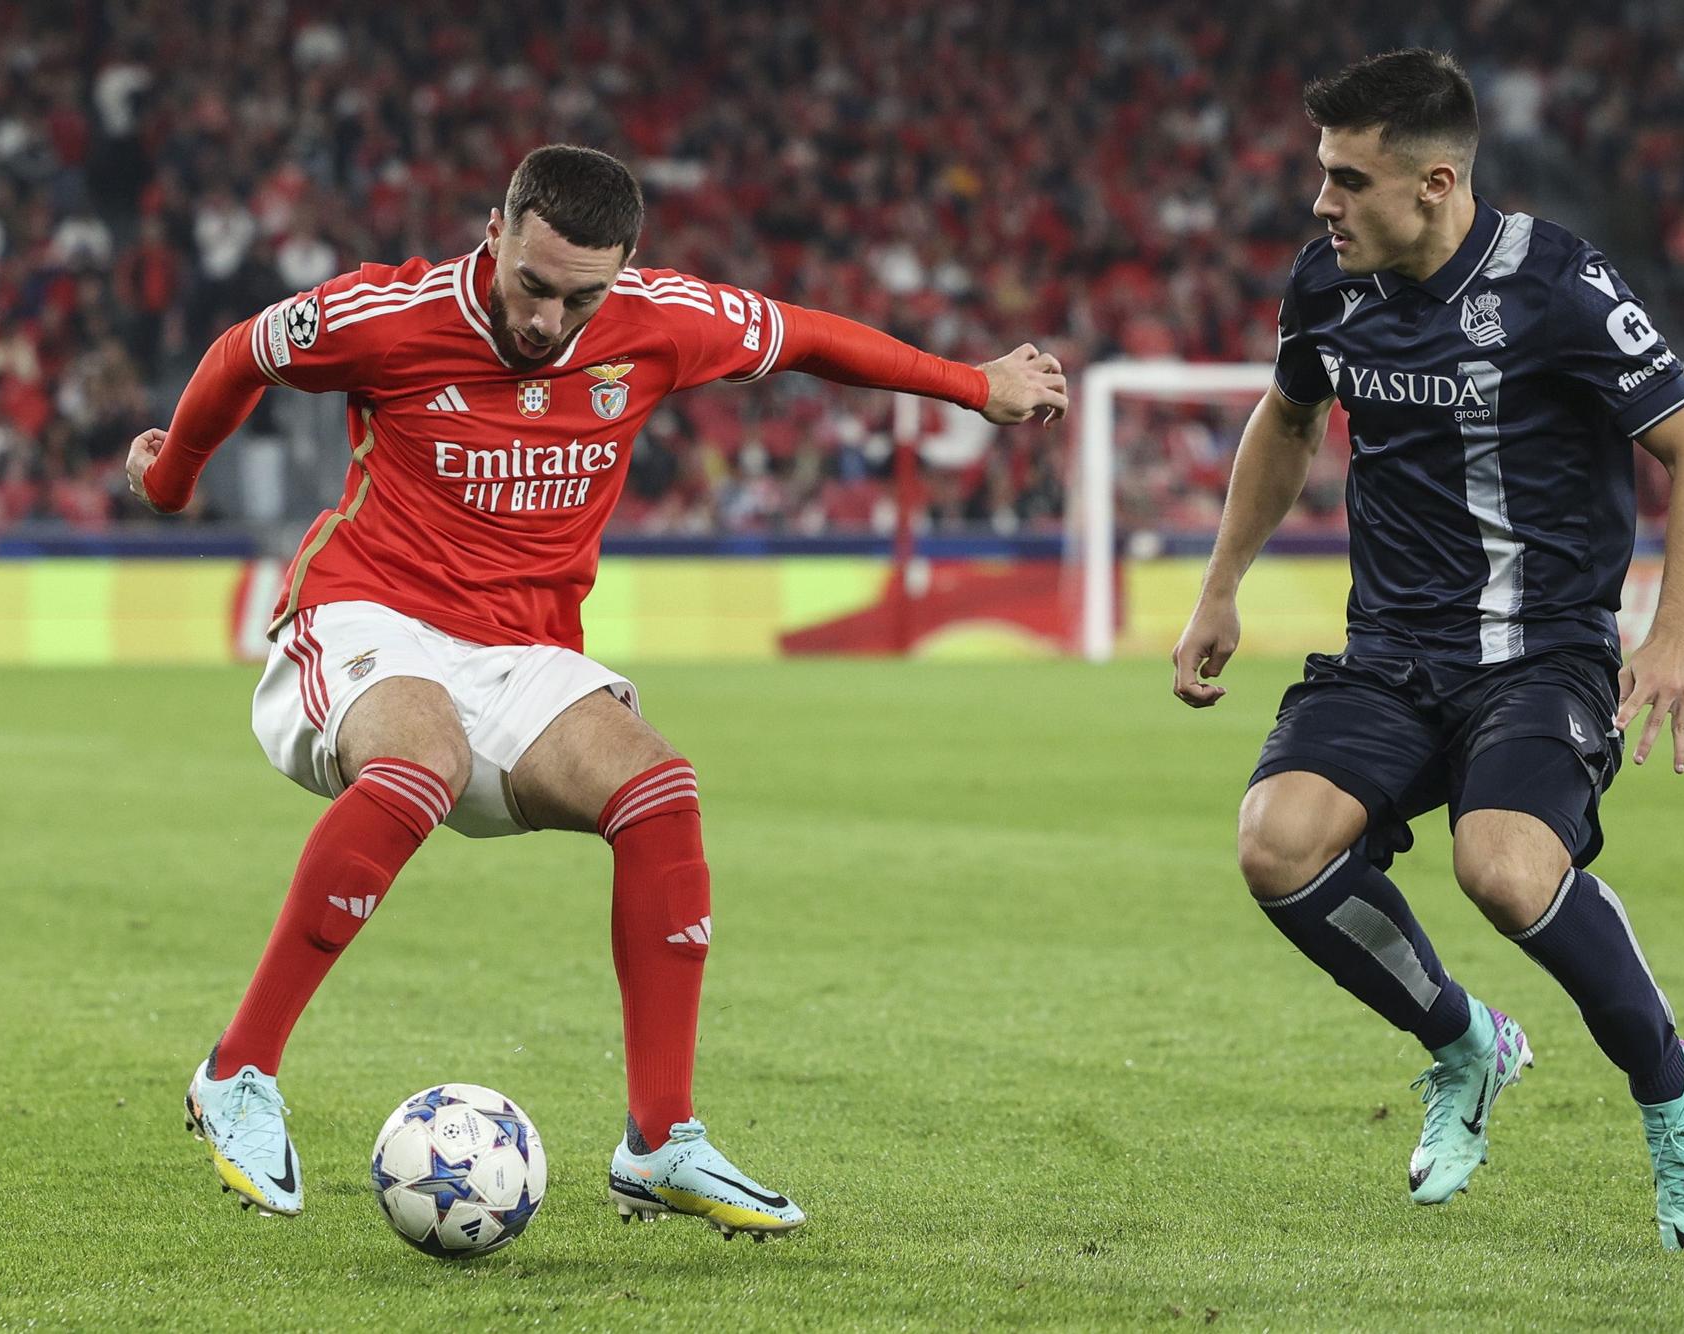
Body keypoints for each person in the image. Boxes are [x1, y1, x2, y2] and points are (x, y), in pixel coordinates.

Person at [129, 143, 1067, 1238]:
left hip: (521, 650)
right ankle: (237, 1073)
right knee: (418, 758)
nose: (547, 320)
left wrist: (975, 385)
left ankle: (660, 1140)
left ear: (621, 271)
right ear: (494, 234)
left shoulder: (659, 319)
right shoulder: (384, 316)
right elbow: (242, 351)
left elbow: (808, 337)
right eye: (531, 285)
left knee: (659, 787)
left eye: (582, 294)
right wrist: (170, 477)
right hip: (365, 612)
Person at [1170, 50, 1684, 1250]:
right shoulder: (1326, 283)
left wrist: (1672, 636)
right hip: (1389, 651)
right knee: (1274, 845)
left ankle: (1668, 1088)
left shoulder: (1558, 285)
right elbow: (1287, 416)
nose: (1320, 204)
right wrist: (1220, 585)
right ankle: (1463, 1045)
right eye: (1320, 175)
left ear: (1433, 182)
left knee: (1503, 865)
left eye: (1346, 179)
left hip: (1539, 656)